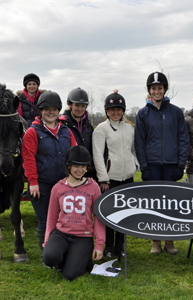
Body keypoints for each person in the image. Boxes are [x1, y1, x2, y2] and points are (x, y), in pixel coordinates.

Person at [135, 71, 190, 255]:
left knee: (170, 204)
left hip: (171, 164)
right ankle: (155, 241)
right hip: (151, 165)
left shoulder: (175, 112)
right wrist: (144, 167)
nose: (156, 91)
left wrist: (180, 164)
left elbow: (183, 139)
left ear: (164, 89)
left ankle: (169, 241)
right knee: (153, 204)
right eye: (153, 88)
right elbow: (139, 142)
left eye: (159, 88)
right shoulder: (142, 114)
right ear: (149, 91)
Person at [21, 91, 77, 252]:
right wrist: (33, 182)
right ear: (40, 110)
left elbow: (73, 156)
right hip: (42, 185)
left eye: (54, 109)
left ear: (58, 110)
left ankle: (62, 250)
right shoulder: (33, 132)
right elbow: (28, 158)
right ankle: (47, 253)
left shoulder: (66, 131)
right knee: (45, 221)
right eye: (46, 109)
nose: (50, 112)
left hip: (63, 184)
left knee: (64, 219)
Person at [42, 145, 105, 281]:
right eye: (76, 166)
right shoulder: (57, 188)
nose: (80, 170)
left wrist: (99, 245)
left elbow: (98, 218)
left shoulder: (94, 187)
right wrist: (47, 240)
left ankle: (81, 257)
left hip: (83, 236)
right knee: (49, 258)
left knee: (70, 275)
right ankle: (69, 256)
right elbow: (51, 218)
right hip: (61, 234)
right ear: (69, 166)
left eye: (83, 166)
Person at [93, 89, 139, 258]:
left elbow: (134, 150)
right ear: (107, 111)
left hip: (127, 177)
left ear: (123, 111)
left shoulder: (129, 128)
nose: (115, 112)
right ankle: (110, 247)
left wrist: (135, 165)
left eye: (119, 109)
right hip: (110, 178)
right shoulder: (101, 129)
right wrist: (103, 178)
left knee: (124, 213)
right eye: (112, 109)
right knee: (110, 213)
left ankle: (121, 246)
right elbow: (98, 154)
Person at [59, 87, 96, 178]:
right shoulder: (62, 125)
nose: (80, 109)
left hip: (87, 172)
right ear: (70, 104)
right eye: (77, 105)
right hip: (69, 173)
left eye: (83, 106)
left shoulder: (89, 126)